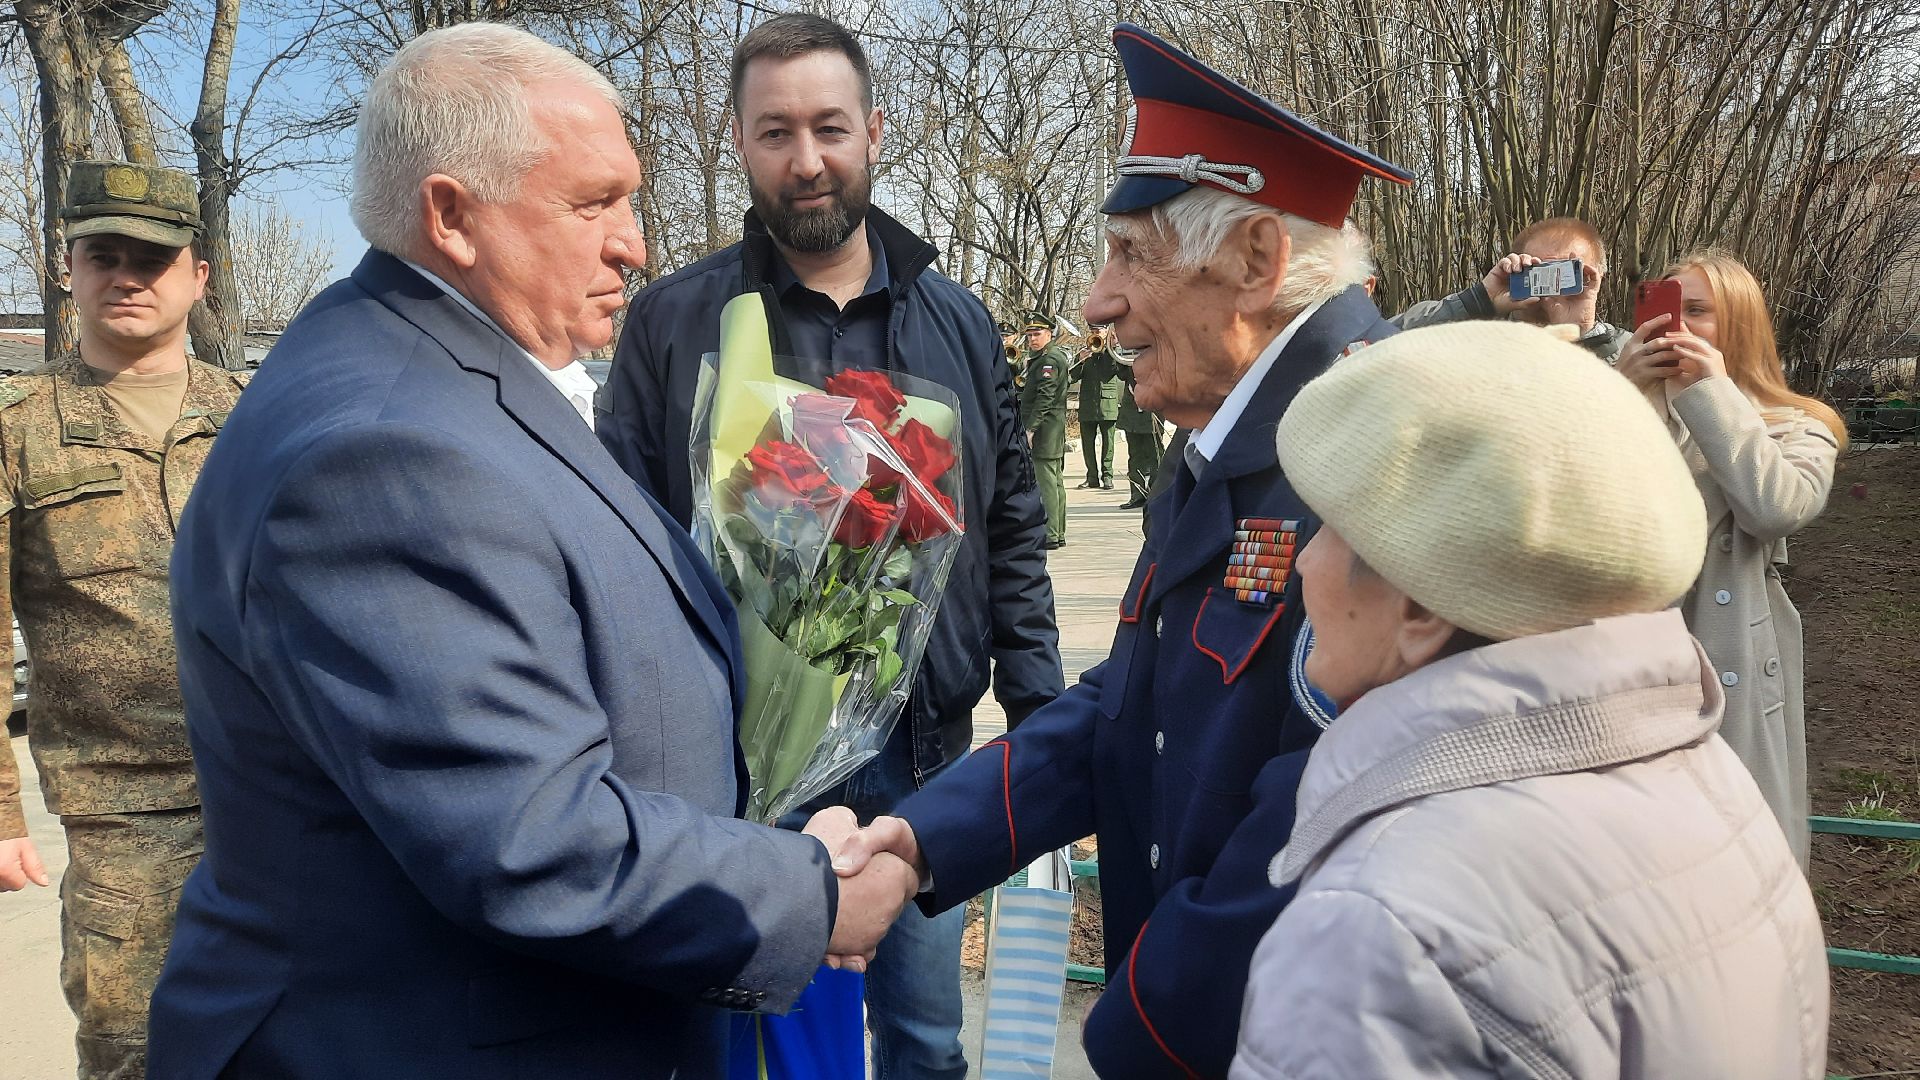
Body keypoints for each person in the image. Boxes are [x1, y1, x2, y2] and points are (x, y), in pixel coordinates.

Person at [147, 25, 917, 1079]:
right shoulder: (383, 451)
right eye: (593, 203)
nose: (633, 244)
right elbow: (530, 840)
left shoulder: (454, 376)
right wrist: (805, 892)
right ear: (452, 217)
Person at [830, 24, 1411, 1077]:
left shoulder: (1381, 456)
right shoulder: (1232, 438)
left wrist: (1136, 1030)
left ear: (1256, 261)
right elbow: (1127, 703)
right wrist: (917, 844)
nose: (1098, 303)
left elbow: (1330, 814)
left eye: (1133, 255)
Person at [595, 15, 1064, 1076]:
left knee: (926, 1038)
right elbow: (626, 535)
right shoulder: (676, 322)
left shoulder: (959, 323)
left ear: (875, 132)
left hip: (924, 758)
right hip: (742, 770)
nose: (806, 160)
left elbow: (1009, 524)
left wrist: (1040, 724)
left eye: (829, 127)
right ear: (739, 142)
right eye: (776, 133)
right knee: (756, 1041)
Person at [1232, 321, 1829, 1078]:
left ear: (1422, 605)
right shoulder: (1711, 785)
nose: (1303, 564)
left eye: (1332, 531)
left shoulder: (1382, 929)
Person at [0, 159, 247, 1080]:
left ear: (199, 275)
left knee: (295, 1035)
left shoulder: (255, 413)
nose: (128, 277)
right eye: (104, 256)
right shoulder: (20, 426)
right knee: (135, 1052)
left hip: (275, 791)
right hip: (122, 817)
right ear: (68, 268)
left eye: (153, 258)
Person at [1615, 249, 1843, 866]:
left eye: (1697, 311)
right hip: (1625, 659)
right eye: (1666, 308)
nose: (1675, 325)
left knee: (1740, 847)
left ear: (1738, 325)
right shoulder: (1622, 403)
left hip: (1729, 647)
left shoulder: (1796, 424)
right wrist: (1622, 394)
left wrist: (1710, 393)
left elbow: (1776, 507)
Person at [1394, 216, 1631, 362]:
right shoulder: (1476, 338)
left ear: (1598, 278)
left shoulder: (1628, 350)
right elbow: (1382, 342)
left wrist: (1585, 336)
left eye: (1569, 275)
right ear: (1516, 272)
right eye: (1538, 271)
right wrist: (1479, 300)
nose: (1551, 290)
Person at [1018, 312, 1071, 547]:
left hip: (1045, 428)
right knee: (1054, 480)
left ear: (1049, 334)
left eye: (1037, 334)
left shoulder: (1049, 360)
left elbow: (1045, 398)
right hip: (1051, 426)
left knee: (1047, 481)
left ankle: (1051, 534)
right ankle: (1057, 532)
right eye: (1029, 335)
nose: (1032, 339)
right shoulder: (1046, 358)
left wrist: (1031, 429)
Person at [1072, 327, 1123, 489]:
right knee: (1088, 444)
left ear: (1106, 331)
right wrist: (1080, 360)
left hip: (1107, 404)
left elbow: (1114, 371)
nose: (1096, 334)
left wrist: (1111, 349)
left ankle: (1107, 476)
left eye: (1099, 330)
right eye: (1093, 330)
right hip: (1088, 405)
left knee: (1108, 443)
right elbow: (1072, 377)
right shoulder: (1085, 352)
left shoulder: (1112, 352)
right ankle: (1092, 477)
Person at [1114, 341, 1162, 510]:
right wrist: (1113, 350)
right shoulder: (1128, 350)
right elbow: (1120, 374)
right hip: (1131, 411)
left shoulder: (1157, 348)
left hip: (1152, 409)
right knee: (1135, 456)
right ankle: (1137, 495)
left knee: (1155, 456)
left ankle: (1156, 494)